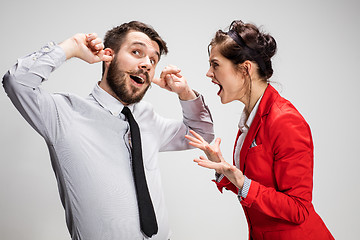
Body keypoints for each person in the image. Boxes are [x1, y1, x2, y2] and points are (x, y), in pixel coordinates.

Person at [2, 21, 214, 240]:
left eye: (153, 60)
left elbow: (202, 135)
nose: (147, 64)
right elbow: (17, 82)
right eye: (136, 52)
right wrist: (70, 47)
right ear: (108, 55)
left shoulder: (147, 118)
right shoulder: (63, 115)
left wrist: (185, 92)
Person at [185, 20, 334, 239]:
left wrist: (242, 181)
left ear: (245, 69)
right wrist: (223, 170)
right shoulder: (251, 116)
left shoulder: (285, 121)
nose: (208, 73)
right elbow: (258, 189)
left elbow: (298, 208)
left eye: (215, 64)